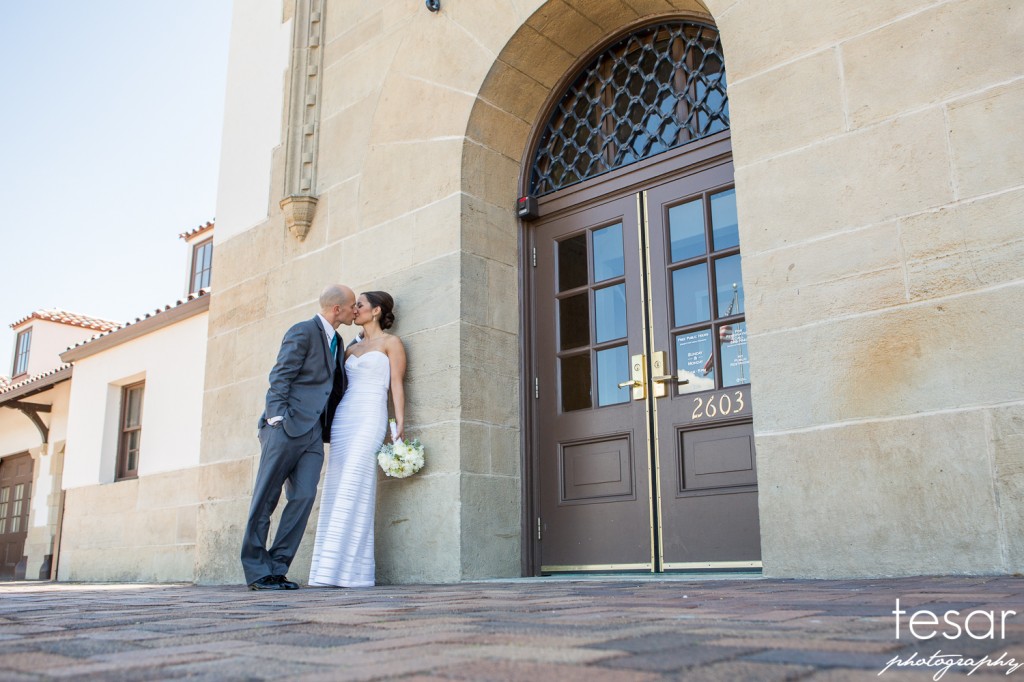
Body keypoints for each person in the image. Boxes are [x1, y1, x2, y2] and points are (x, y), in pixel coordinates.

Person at [240, 284, 356, 591]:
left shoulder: (338, 339)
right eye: (351, 306)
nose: (354, 311)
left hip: (314, 434)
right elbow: (281, 374)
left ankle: (277, 569)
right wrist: (276, 417)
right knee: (266, 497)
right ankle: (256, 571)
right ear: (336, 309)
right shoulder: (303, 331)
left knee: (303, 497)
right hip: (285, 427)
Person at [309, 290, 406, 587]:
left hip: (370, 416)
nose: (355, 309)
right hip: (344, 419)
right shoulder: (349, 348)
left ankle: (353, 571)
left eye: (360, 305)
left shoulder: (391, 343)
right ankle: (326, 571)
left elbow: (396, 385)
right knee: (337, 484)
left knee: (356, 483)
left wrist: (399, 423)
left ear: (375, 311)